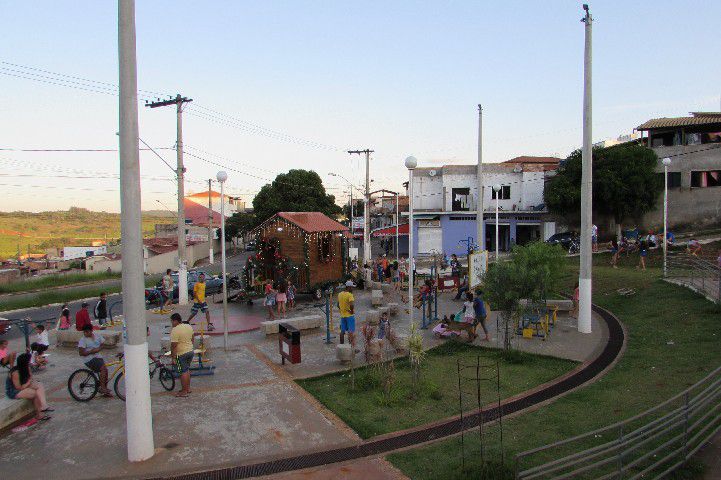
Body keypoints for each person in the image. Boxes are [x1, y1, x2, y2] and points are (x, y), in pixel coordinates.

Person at [5, 353, 52, 421]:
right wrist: (29, 382)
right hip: (13, 391)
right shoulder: (15, 372)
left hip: (24, 385)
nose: (30, 362)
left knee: (39, 385)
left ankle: (44, 406)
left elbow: (30, 378)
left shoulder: (26, 368)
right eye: (28, 361)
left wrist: (29, 380)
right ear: (24, 363)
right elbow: (18, 387)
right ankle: (40, 415)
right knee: (34, 393)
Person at [78, 324, 111, 397]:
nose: (85, 333)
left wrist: (99, 349)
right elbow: (81, 353)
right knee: (103, 369)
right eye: (84, 332)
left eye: (87, 332)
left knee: (106, 371)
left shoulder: (97, 335)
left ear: (91, 331)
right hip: (89, 359)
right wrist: (91, 351)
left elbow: (103, 344)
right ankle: (102, 388)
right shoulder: (82, 340)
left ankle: (104, 389)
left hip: (98, 357)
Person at [170, 313, 194, 398]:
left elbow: (174, 345)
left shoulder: (175, 330)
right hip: (190, 351)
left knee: (182, 372)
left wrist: (173, 357)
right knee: (186, 370)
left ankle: (184, 391)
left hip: (181, 354)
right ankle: (188, 388)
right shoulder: (188, 326)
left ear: (175, 321)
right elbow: (192, 338)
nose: (172, 323)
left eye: (172, 321)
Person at [338, 281, 356, 347]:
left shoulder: (340, 294)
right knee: (351, 332)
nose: (352, 289)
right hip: (349, 316)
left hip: (343, 316)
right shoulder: (350, 295)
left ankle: (341, 347)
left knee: (342, 331)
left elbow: (338, 305)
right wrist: (351, 311)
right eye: (352, 287)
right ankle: (352, 348)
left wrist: (342, 309)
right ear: (349, 287)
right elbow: (352, 305)